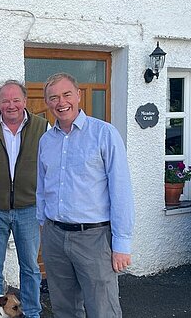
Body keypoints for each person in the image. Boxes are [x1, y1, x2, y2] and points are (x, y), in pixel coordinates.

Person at [36, 72, 135, 317]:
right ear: (47, 103)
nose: (61, 102)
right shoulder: (46, 140)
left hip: (94, 238)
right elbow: (42, 186)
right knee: (64, 308)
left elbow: (120, 190)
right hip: (55, 237)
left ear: (78, 95)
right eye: (54, 97)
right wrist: (43, 224)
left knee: (103, 310)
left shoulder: (104, 134)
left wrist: (122, 243)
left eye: (66, 94)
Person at [0, 80, 47, 318]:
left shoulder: (43, 127)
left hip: (28, 208)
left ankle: (32, 313)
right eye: (5, 100)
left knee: (29, 267)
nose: (11, 105)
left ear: (25, 101)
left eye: (16, 100)